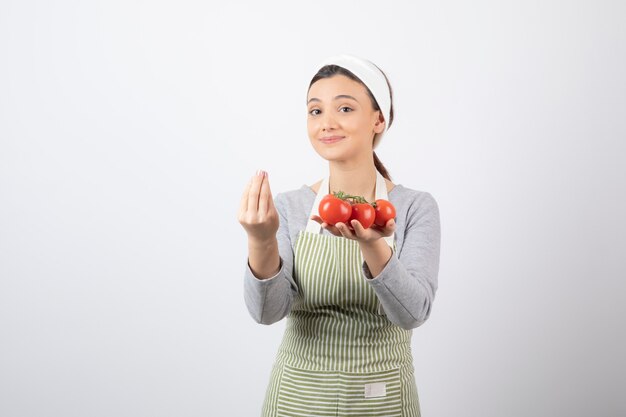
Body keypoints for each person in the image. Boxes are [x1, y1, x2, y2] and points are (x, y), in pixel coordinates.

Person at [238, 54, 441, 417]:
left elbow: (412, 313)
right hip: (297, 400)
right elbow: (268, 313)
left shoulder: (413, 207)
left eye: (345, 109)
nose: (327, 123)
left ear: (378, 119)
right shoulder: (290, 206)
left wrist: (371, 242)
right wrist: (261, 240)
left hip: (383, 400)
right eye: (315, 111)